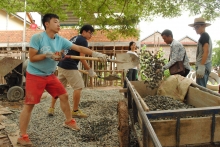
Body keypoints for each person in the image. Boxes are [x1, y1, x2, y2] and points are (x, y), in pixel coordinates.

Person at [17, 13, 107, 146]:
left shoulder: (60, 40)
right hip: (35, 74)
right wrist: (47, 55)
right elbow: (32, 58)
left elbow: (79, 48)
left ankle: (69, 121)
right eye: (55, 22)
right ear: (47, 24)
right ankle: (22, 136)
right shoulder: (37, 37)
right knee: (30, 104)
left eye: (59, 22)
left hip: (49, 74)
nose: (59, 24)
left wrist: (95, 53)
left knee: (64, 95)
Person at [48, 24, 96, 118]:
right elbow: (82, 58)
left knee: (58, 88)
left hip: (62, 65)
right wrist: (89, 70)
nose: (91, 35)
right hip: (69, 65)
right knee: (78, 86)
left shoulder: (74, 38)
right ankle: (75, 110)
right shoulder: (83, 40)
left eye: (92, 34)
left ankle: (51, 108)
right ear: (84, 32)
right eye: (90, 33)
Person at [188, 17, 212, 87]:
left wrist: (201, 66)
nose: (196, 29)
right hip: (205, 64)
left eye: (197, 27)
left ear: (204, 26)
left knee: (201, 89)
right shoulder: (204, 36)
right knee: (202, 87)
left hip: (204, 65)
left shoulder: (204, 36)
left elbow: (206, 51)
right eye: (195, 28)